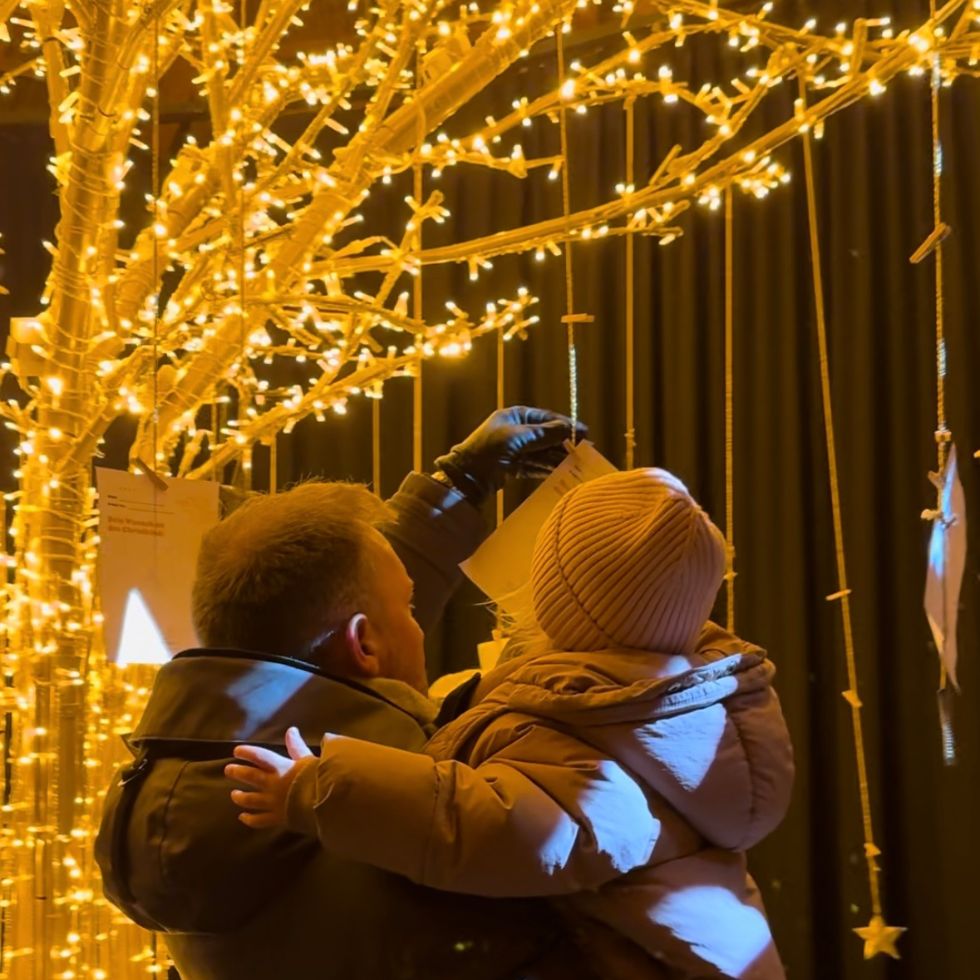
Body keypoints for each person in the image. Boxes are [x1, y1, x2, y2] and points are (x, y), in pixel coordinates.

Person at [228, 468, 795, 979]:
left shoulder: (594, 736)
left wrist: (321, 789)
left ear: (557, 597)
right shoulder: (675, 699)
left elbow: (492, 826)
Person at [95, 407, 596, 980]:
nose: (416, 621)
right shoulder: (413, 807)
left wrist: (458, 487)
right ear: (362, 643)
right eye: (408, 608)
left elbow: (331, 611)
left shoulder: (177, 776)